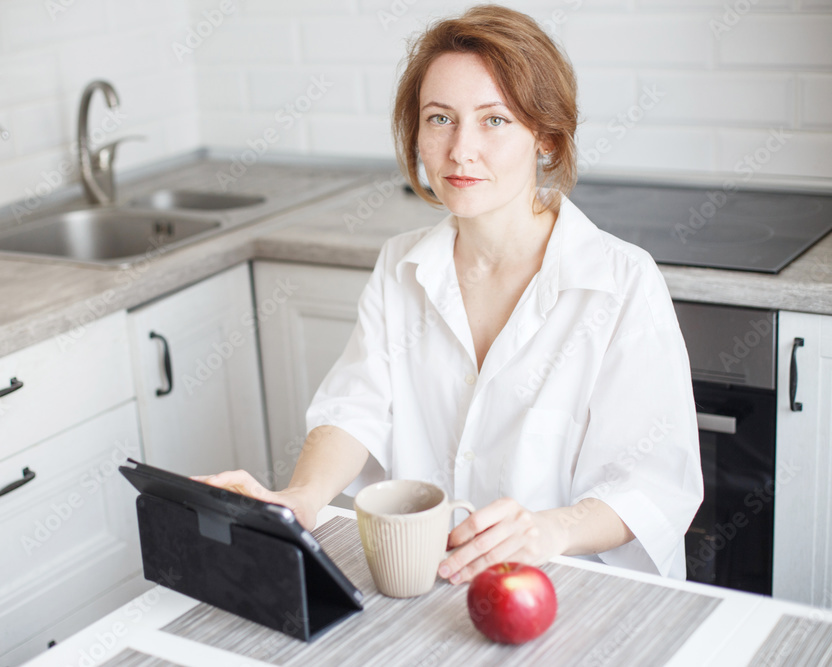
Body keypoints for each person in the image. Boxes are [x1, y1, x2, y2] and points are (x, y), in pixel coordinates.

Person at [198, 4, 703, 584]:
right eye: (439, 119)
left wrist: (550, 529)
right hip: (427, 582)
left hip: (570, 590)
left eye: (494, 120)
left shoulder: (621, 282)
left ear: (545, 135)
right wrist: (304, 497)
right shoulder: (402, 265)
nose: (461, 150)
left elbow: (654, 483)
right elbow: (353, 409)